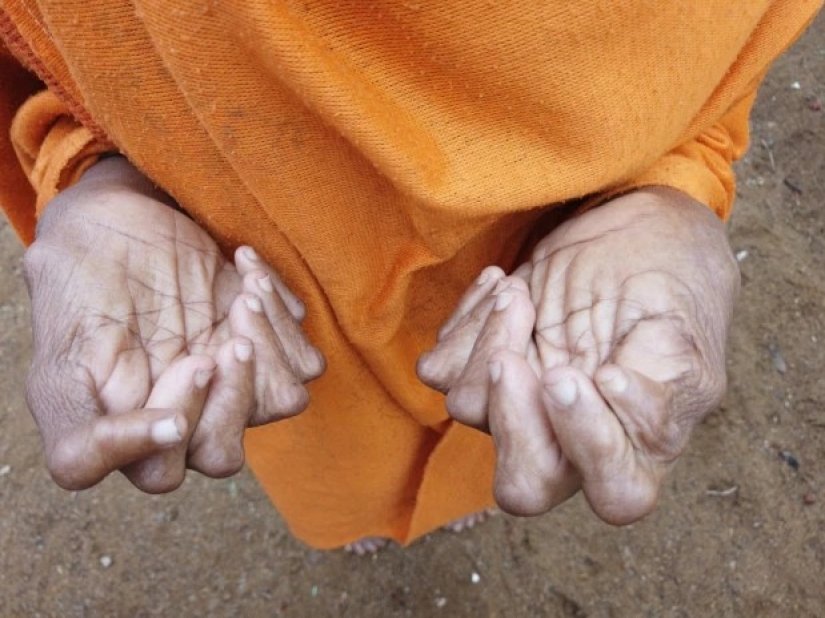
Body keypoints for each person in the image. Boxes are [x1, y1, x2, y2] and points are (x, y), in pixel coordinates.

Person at [0, 1, 820, 550]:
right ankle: (357, 515)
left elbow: (715, 46)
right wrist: (99, 171)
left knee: (512, 431)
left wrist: (671, 194)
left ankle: (439, 502)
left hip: (544, 284)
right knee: (317, 451)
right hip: (261, 312)